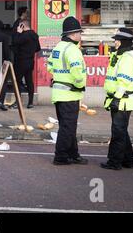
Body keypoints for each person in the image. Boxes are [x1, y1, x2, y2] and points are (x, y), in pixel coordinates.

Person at [47, 16, 88, 165]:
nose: (80, 35)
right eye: (79, 33)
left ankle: (73, 154)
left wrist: (58, 76)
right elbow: (78, 72)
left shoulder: (58, 47)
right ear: (73, 34)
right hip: (70, 94)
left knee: (68, 126)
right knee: (67, 127)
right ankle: (61, 157)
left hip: (58, 94)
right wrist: (80, 84)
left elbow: (49, 66)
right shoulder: (73, 50)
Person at [100, 28, 133, 170]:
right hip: (119, 100)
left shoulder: (127, 59)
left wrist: (116, 99)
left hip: (122, 101)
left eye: (116, 40)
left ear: (123, 42)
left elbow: (123, 82)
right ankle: (127, 161)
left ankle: (114, 162)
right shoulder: (118, 56)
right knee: (121, 131)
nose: (114, 42)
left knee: (118, 133)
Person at [10, 19, 40, 109]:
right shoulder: (35, 35)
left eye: (19, 26)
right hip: (30, 61)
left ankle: (18, 102)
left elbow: (15, 42)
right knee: (29, 81)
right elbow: (38, 48)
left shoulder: (23, 35)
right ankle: (30, 102)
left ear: (22, 26)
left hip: (21, 61)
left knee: (17, 82)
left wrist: (18, 32)